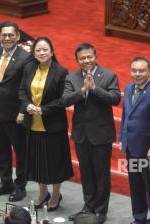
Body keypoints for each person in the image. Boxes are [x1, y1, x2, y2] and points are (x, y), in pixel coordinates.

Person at [62, 43, 121, 223]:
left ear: (95, 56)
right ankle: (88, 207)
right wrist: (83, 90)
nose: (86, 60)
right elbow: (65, 100)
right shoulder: (72, 78)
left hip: (101, 134)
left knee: (101, 174)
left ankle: (101, 210)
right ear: (77, 60)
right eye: (82, 58)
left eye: (89, 57)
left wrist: (95, 88)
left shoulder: (109, 75)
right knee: (86, 173)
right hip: (81, 134)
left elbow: (115, 99)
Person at [19, 37, 73, 211]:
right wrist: (26, 105)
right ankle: (43, 193)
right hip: (32, 125)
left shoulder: (61, 71)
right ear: (33, 53)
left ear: (52, 51)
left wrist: (43, 109)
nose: (41, 53)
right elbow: (21, 91)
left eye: (45, 50)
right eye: (38, 50)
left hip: (53, 126)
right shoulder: (28, 68)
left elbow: (64, 100)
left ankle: (56, 194)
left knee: (54, 162)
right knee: (37, 162)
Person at [0, 21, 33, 202]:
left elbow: (26, 87)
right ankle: (5, 182)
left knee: (20, 151)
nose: (7, 38)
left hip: (15, 115)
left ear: (18, 36)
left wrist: (22, 111)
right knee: (0, 149)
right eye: (4, 35)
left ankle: (20, 186)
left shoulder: (25, 57)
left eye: (11, 35)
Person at [119, 57, 150, 224]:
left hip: (148, 150)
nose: (137, 74)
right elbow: (126, 115)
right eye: (134, 70)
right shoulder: (128, 87)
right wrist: (122, 139)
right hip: (131, 147)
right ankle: (139, 218)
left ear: (149, 72)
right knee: (135, 185)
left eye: (141, 71)